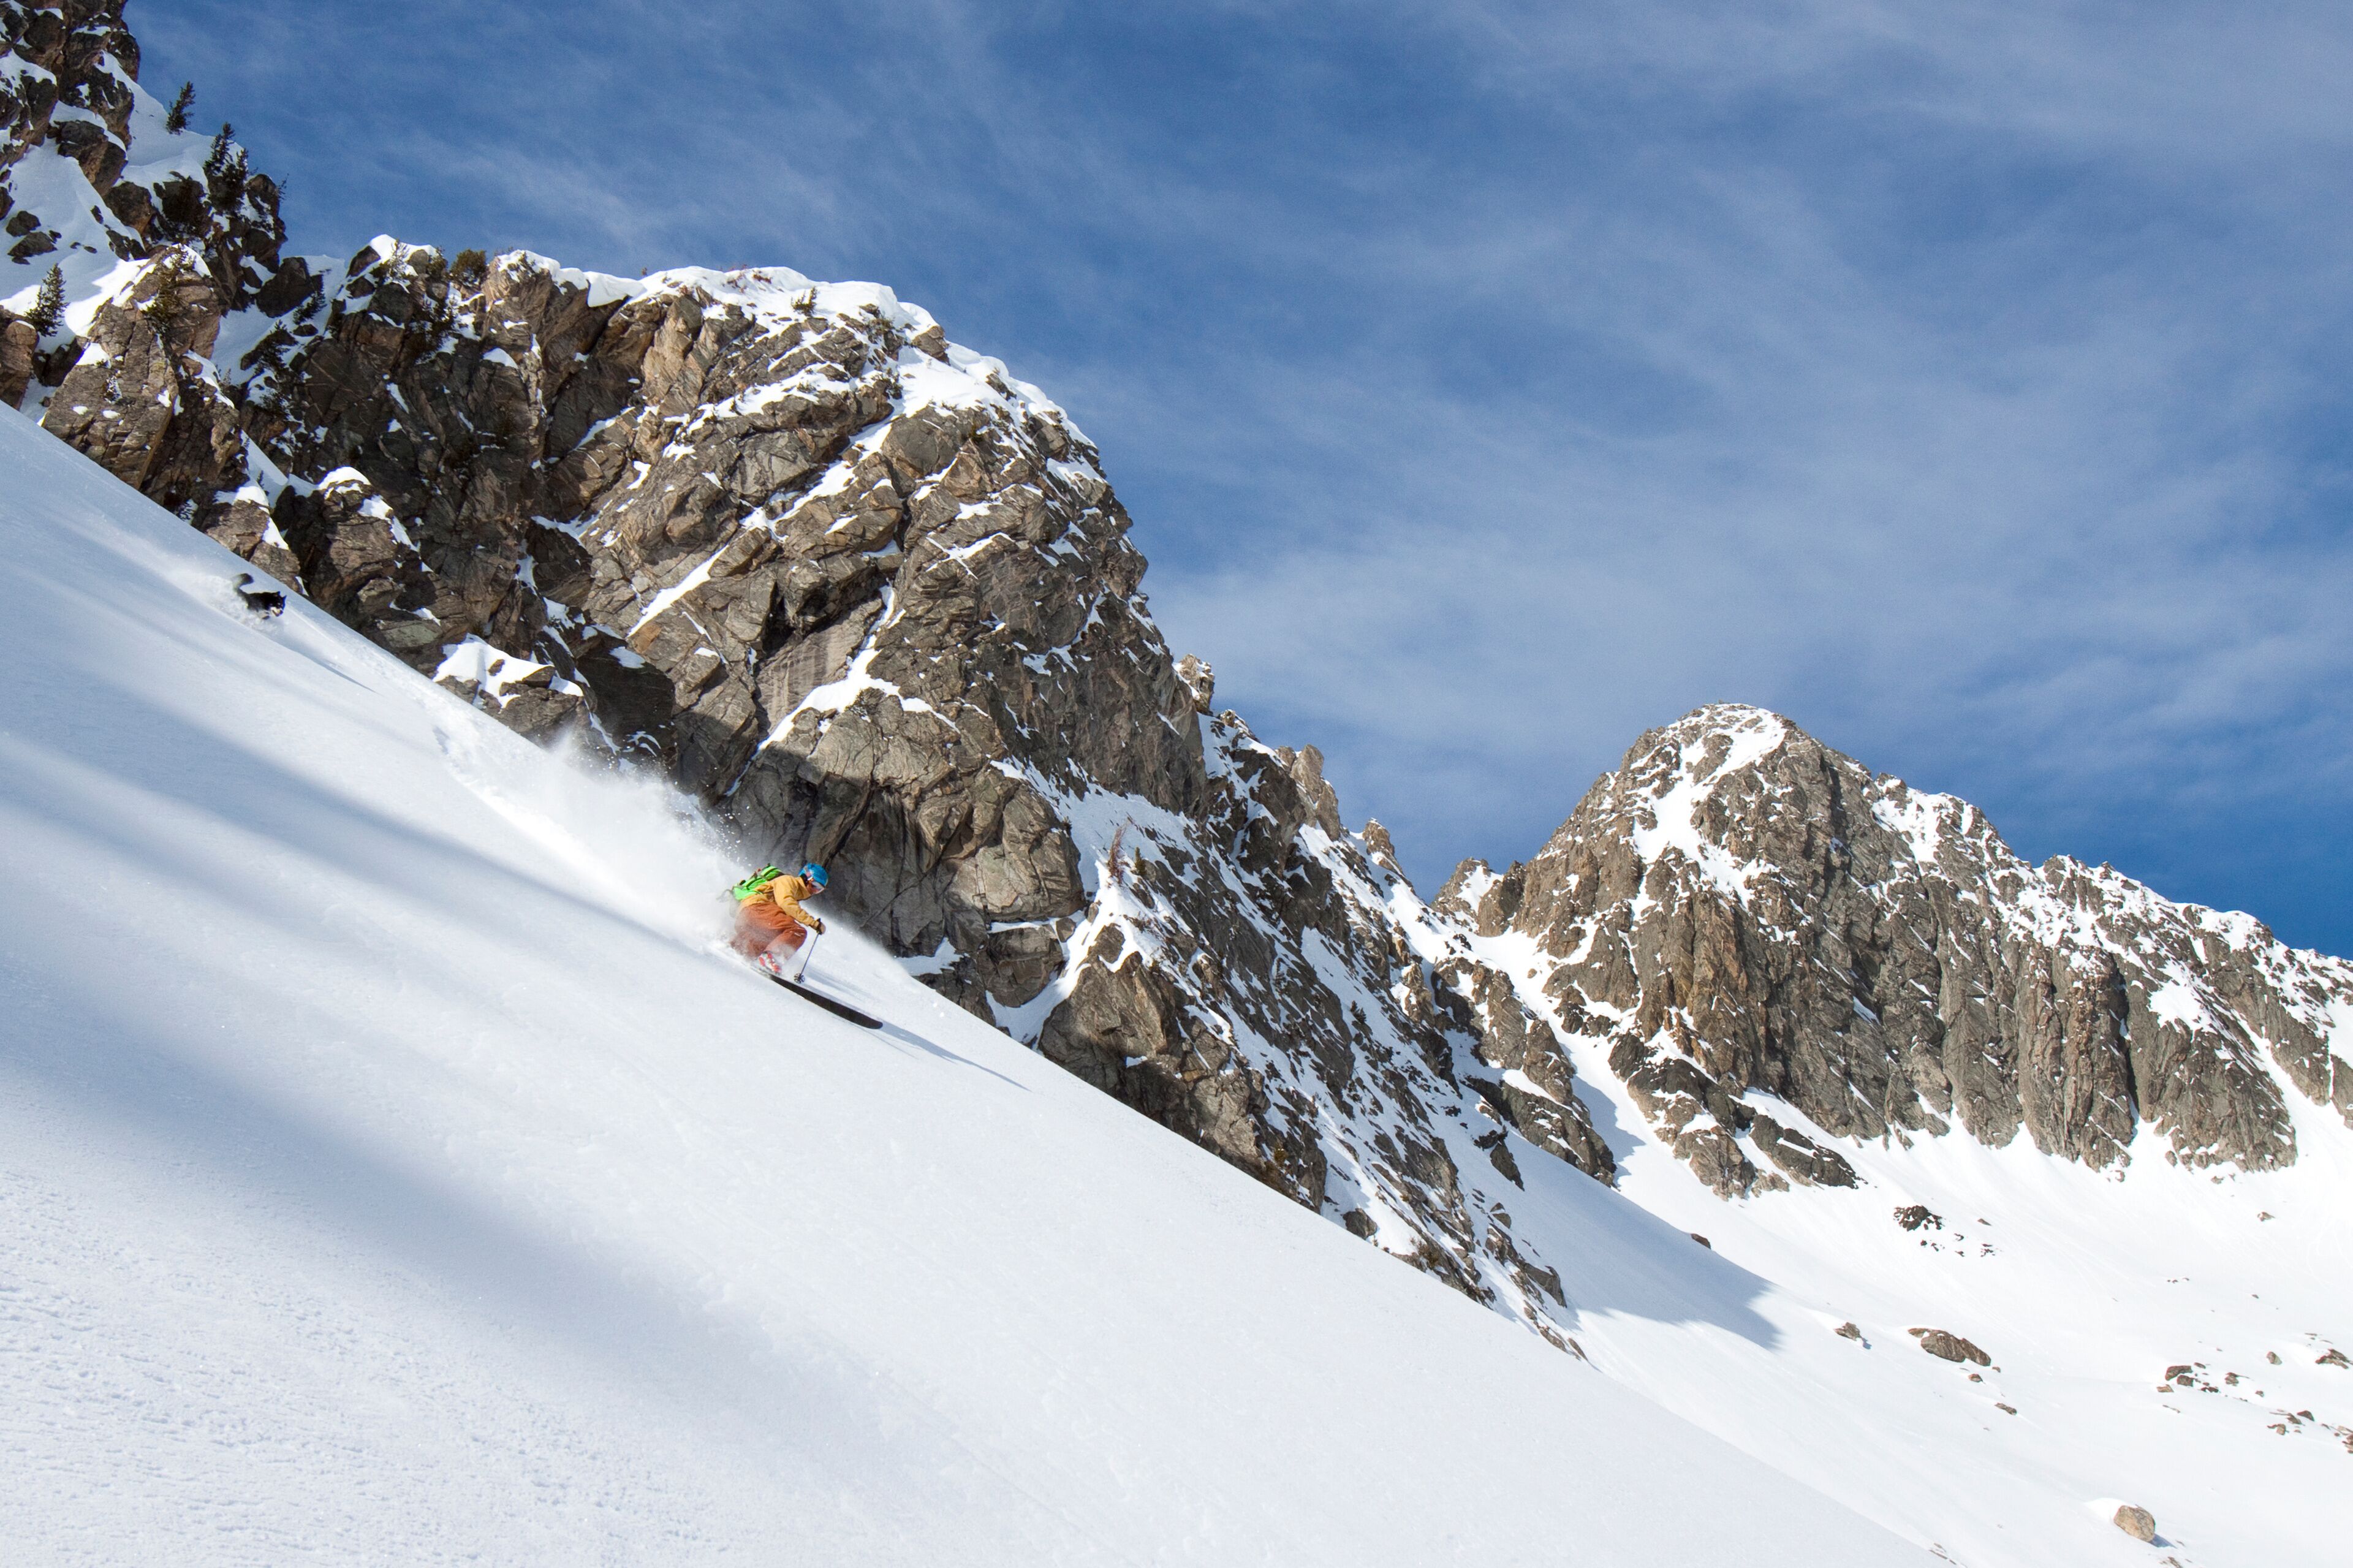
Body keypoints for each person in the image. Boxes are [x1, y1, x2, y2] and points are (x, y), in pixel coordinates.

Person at [733, 862, 828, 974]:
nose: (815, 891)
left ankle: (735, 945)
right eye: (815, 886)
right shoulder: (788, 881)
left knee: (767, 942)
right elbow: (786, 903)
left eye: (819, 890)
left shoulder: (795, 893)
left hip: (750, 916)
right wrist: (813, 923)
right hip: (757, 908)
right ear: (807, 878)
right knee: (796, 931)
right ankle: (770, 959)